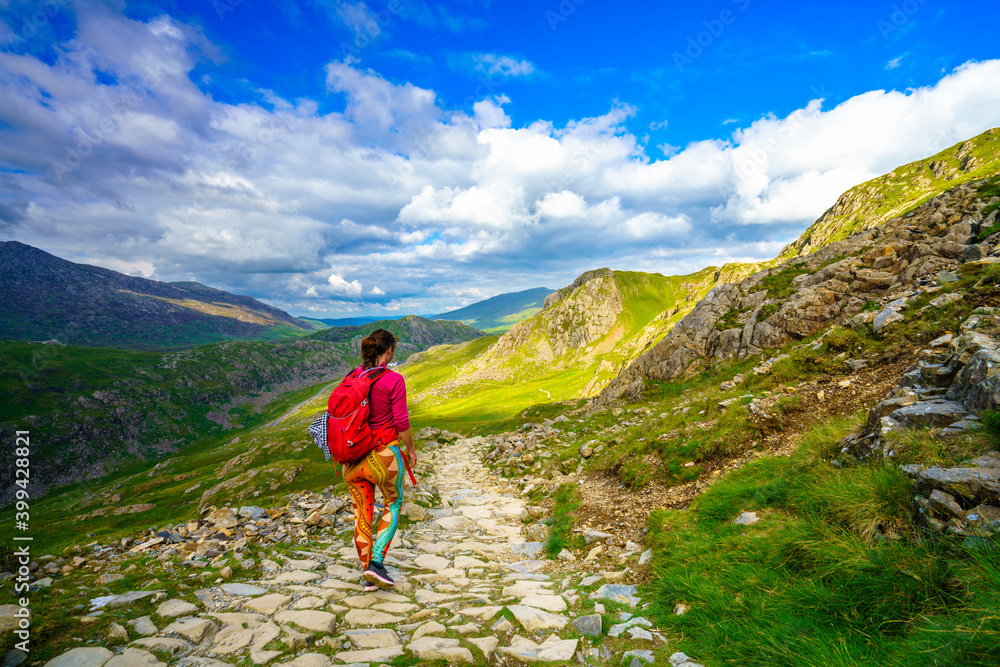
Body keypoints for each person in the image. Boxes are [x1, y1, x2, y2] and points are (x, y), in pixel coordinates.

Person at [342, 328, 417, 591]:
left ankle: (367, 575)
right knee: (393, 504)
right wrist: (411, 450)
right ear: (390, 351)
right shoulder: (393, 380)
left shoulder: (352, 377)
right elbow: (401, 422)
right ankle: (376, 564)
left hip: (352, 461)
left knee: (361, 512)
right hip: (383, 456)